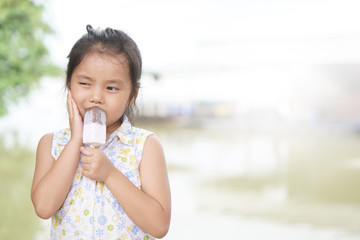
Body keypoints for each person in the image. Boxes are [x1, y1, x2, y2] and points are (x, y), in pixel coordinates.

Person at [31, 25, 171, 239]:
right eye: (85, 83)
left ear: (132, 95)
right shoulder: (52, 144)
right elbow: (43, 207)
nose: (96, 96)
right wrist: (75, 140)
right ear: (69, 85)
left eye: (111, 88)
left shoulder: (145, 146)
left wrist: (110, 175)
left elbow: (159, 225)